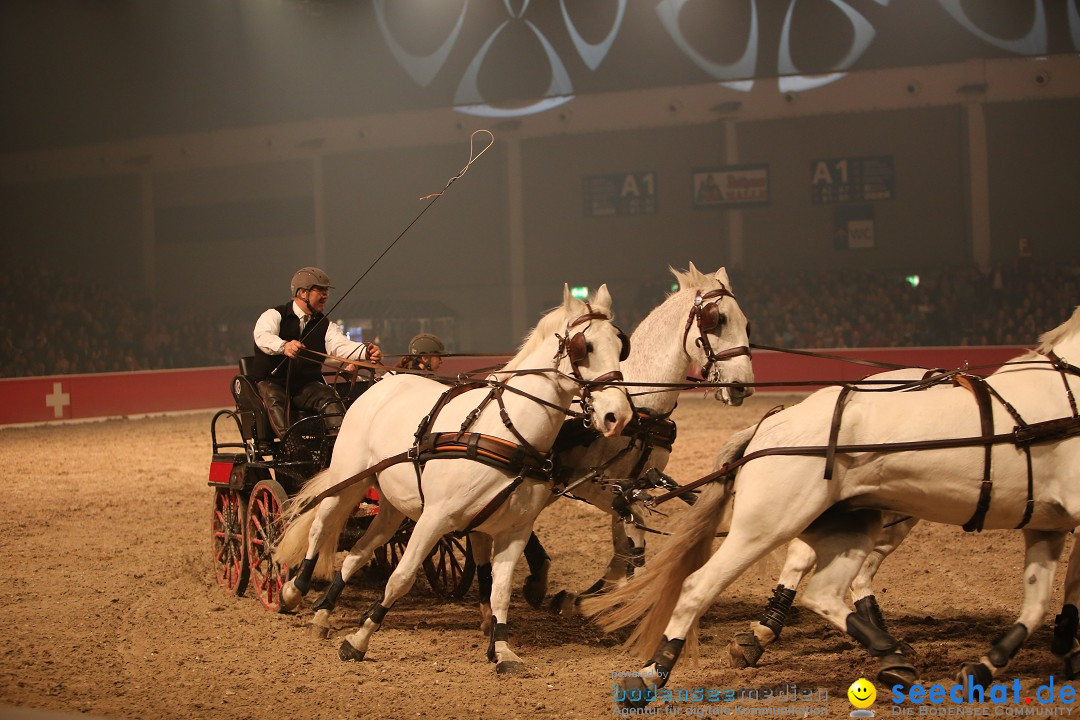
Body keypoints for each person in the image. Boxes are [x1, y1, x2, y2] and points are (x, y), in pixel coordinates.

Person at [251, 266, 382, 438]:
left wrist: (365, 352)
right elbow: (262, 336)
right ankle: (291, 445)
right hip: (272, 382)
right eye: (320, 291)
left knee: (328, 395)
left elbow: (340, 346)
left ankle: (340, 442)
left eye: (326, 291)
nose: (326, 296)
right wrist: (284, 346)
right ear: (302, 293)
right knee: (276, 400)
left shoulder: (325, 325)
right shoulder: (274, 315)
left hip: (305, 384)